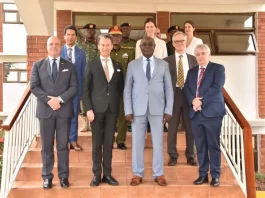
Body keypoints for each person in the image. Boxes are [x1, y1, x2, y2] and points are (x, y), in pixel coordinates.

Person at [124, 36, 173, 186]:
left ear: (154, 46)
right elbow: (127, 89)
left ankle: (158, 174)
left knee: (158, 143)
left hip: (158, 109)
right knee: (138, 142)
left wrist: (168, 110)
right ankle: (137, 174)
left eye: (150, 44)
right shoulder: (132, 64)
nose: (147, 47)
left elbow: (169, 89)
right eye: (144, 45)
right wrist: (128, 109)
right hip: (137, 109)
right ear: (140, 47)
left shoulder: (163, 64)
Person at [30, 36, 78, 189]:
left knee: (63, 145)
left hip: (63, 111)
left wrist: (60, 99)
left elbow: (74, 87)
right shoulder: (38, 65)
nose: (54, 46)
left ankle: (64, 177)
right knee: (46, 147)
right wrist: (49, 100)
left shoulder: (69, 66)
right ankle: (47, 177)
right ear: (47, 46)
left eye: (57, 44)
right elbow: (34, 86)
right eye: (51, 44)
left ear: (61, 46)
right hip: (46, 111)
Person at [83, 34, 124, 187]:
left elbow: (120, 89)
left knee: (108, 143)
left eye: (108, 45)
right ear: (98, 46)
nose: (105, 48)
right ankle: (96, 174)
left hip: (112, 111)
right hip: (95, 111)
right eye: (103, 45)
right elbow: (85, 89)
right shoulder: (91, 64)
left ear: (112, 46)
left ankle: (107, 174)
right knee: (96, 144)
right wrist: (88, 109)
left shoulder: (118, 65)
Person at [183, 44, 225, 187]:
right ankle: (202, 175)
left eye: (203, 53)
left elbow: (216, 88)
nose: (200, 56)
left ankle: (215, 176)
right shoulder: (191, 71)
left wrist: (201, 101)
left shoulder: (218, 69)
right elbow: (187, 88)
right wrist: (192, 101)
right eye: (198, 54)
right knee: (200, 146)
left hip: (212, 113)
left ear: (209, 54)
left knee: (213, 145)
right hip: (196, 114)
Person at [164, 31, 197, 167]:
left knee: (191, 127)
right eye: (176, 41)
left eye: (181, 41)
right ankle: (172, 156)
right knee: (172, 127)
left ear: (185, 42)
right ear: (172, 44)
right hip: (174, 95)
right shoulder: (166, 61)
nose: (179, 44)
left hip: (189, 96)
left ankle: (190, 156)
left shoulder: (193, 59)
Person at [108, 25, 134, 150]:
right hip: (108, 90)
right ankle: (109, 139)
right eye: (113, 36)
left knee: (123, 116)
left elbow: (132, 70)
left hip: (124, 89)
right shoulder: (105, 51)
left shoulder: (128, 51)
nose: (116, 38)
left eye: (118, 35)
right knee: (109, 115)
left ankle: (121, 140)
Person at [61, 25, 86, 151]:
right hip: (62, 91)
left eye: (73, 35)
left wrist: (82, 91)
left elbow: (83, 73)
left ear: (76, 37)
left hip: (76, 90)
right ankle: (63, 141)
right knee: (63, 116)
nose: (70, 37)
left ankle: (73, 140)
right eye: (68, 34)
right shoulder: (59, 52)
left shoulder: (81, 53)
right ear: (64, 36)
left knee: (74, 115)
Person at [76, 23, 98, 132]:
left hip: (95, 75)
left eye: (92, 31)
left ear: (95, 32)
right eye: (88, 31)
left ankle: (93, 122)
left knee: (94, 97)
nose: (90, 32)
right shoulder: (78, 44)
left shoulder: (98, 44)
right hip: (82, 74)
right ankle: (85, 123)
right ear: (84, 32)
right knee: (83, 98)